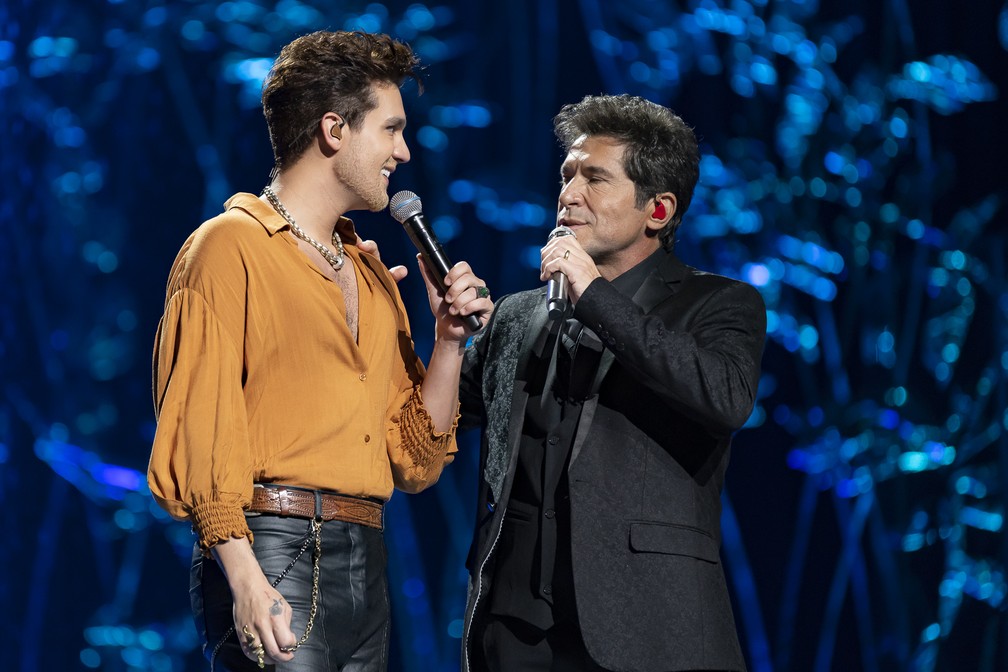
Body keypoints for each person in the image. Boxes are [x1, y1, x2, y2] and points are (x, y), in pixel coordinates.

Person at [147, 30, 491, 671]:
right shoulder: (228, 247)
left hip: (367, 557)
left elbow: (415, 460)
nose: (404, 152)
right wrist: (246, 578)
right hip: (274, 549)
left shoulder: (366, 273)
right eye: (390, 130)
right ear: (335, 129)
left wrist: (447, 341)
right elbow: (199, 428)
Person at [458, 94, 767, 671]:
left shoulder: (718, 303)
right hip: (517, 630)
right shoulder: (520, 313)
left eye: (594, 178)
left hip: (650, 627)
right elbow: (443, 423)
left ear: (658, 210)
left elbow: (725, 399)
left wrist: (594, 297)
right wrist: (449, 340)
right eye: (566, 176)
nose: (568, 196)